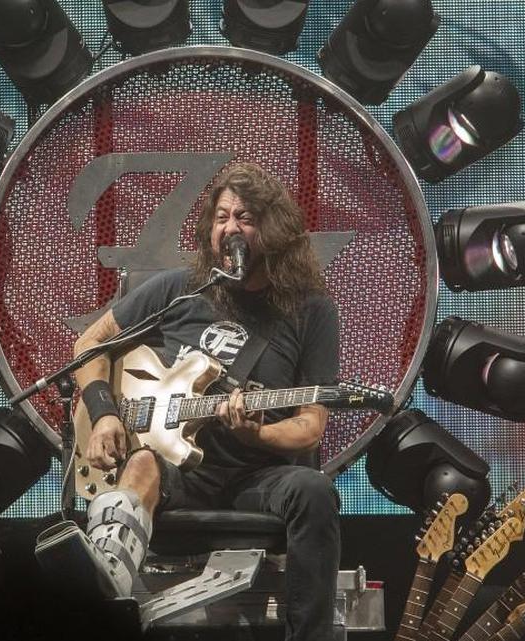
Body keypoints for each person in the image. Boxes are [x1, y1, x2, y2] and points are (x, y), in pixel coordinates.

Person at [72, 162, 341, 641]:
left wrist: (255, 432)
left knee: (314, 491)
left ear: (273, 230)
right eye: (221, 217)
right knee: (142, 463)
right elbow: (90, 344)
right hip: (179, 473)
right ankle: (105, 576)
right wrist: (104, 414)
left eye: (244, 218)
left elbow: (311, 426)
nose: (229, 228)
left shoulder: (310, 310)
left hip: (256, 477)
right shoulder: (179, 290)